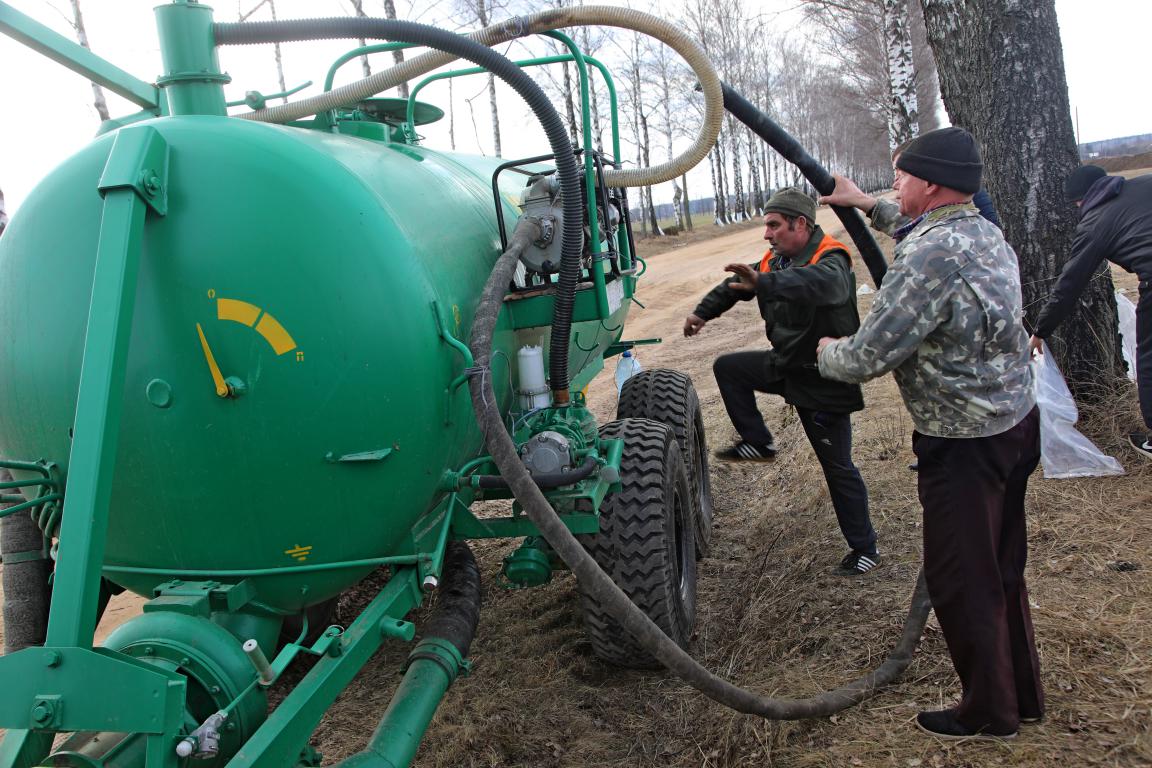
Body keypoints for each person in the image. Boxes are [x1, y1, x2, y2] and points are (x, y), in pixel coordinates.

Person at [816, 127, 1043, 739]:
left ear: (932, 183)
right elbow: (914, 224)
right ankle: (1020, 693)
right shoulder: (979, 229)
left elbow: (868, 355)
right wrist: (865, 203)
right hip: (1016, 424)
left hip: (963, 444)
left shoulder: (928, 257)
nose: (896, 183)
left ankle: (990, 711)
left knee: (962, 578)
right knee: (1001, 566)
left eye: (901, 175)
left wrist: (827, 351)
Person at [683, 187, 879, 575]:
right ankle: (759, 441)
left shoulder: (831, 258)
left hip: (823, 381)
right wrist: (702, 312)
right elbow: (736, 287)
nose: (767, 234)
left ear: (800, 224)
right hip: (786, 366)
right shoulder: (777, 261)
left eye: (774, 225)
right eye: (767, 226)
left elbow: (824, 286)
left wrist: (766, 284)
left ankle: (865, 549)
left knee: (837, 467)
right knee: (729, 368)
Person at [1029, 164, 1152, 459]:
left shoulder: (1095, 221)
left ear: (1081, 200)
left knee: (1148, 360)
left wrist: (1040, 331)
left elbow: (1068, 286)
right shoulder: (1145, 183)